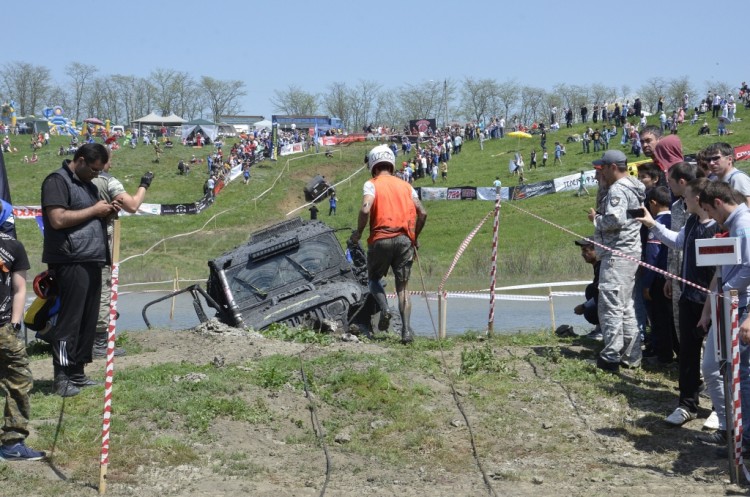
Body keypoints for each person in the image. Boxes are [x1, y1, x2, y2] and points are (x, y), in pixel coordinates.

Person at [637, 177, 718, 426]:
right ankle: (687, 404)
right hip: (689, 297)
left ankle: (719, 408)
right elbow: (677, 241)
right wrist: (652, 225)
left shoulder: (720, 227)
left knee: (717, 356)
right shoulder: (692, 221)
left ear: (699, 199)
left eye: (686, 197)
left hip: (715, 301)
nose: (682, 201)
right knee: (688, 354)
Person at [41, 143, 119, 397]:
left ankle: (77, 372)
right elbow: (58, 219)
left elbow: (88, 214)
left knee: (87, 321)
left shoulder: (87, 185)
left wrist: (105, 212)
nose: (97, 175)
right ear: (82, 160)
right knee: (69, 321)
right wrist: (95, 210)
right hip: (70, 259)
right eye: (94, 170)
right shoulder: (57, 181)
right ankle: (61, 376)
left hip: (92, 258)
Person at [350, 145, 427, 344]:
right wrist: (415, 237)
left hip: (380, 239)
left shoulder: (371, 184)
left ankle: (385, 309)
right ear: (391, 165)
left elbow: (366, 209)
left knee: (374, 279)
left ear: (374, 166)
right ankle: (406, 332)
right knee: (402, 287)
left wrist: (358, 233)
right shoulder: (407, 186)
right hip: (404, 241)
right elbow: (423, 213)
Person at [697, 181, 750, 452]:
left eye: (709, 210)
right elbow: (724, 271)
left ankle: (743, 438)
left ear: (718, 203)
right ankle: (734, 431)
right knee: (725, 371)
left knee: (744, 375)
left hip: (741, 307)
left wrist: (727, 291)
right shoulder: (734, 224)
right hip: (728, 306)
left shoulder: (743, 224)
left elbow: (748, 268)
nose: (712, 218)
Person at [587, 150, 646, 372]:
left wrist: (597, 219)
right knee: (626, 306)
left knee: (610, 306)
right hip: (628, 252)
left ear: (613, 167)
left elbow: (614, 219)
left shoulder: (619, 189)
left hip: (616, 254)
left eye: (602, 169)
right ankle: (632, 355)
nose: (600, 173)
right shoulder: (633, 185)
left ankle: (611, 356)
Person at [91, 162, 153, 358]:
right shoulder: (107, 181)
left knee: (86, 292)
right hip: (101, 244)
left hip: (77, 245)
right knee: (104, 289)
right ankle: (99, 343)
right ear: (103, 162)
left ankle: (83, 339)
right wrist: (144, 185)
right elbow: (133, 205)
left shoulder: (74, 181)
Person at [0, 229, 45, 460]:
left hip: (3, 330)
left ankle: (12, 443)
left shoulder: (12, 247)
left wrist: (14, 324)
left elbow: (19, 289)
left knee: (19, 379)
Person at [573, 236, 601, 339]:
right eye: (582, 251)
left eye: (586, 250)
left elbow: (601, 294)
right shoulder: (597, 265)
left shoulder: (602, 266)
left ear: (597, 250)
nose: (583, 254)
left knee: (589, 312)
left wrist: (584, 306)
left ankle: (604, 331)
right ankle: (600, 328)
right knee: (591, 289)